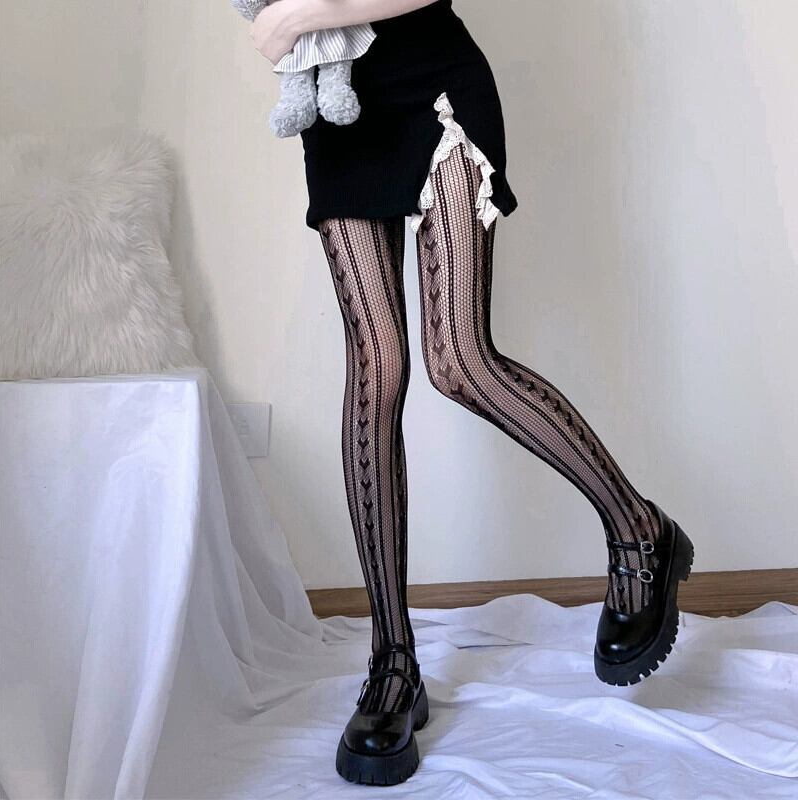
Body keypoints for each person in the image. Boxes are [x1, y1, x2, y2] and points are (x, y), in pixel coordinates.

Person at [246, 0, 695, 786]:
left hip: (436, 87)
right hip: (337, 111)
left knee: (457, 359)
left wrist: (297, 16)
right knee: (376, 370)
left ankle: (640, 529)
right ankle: (392, 660)